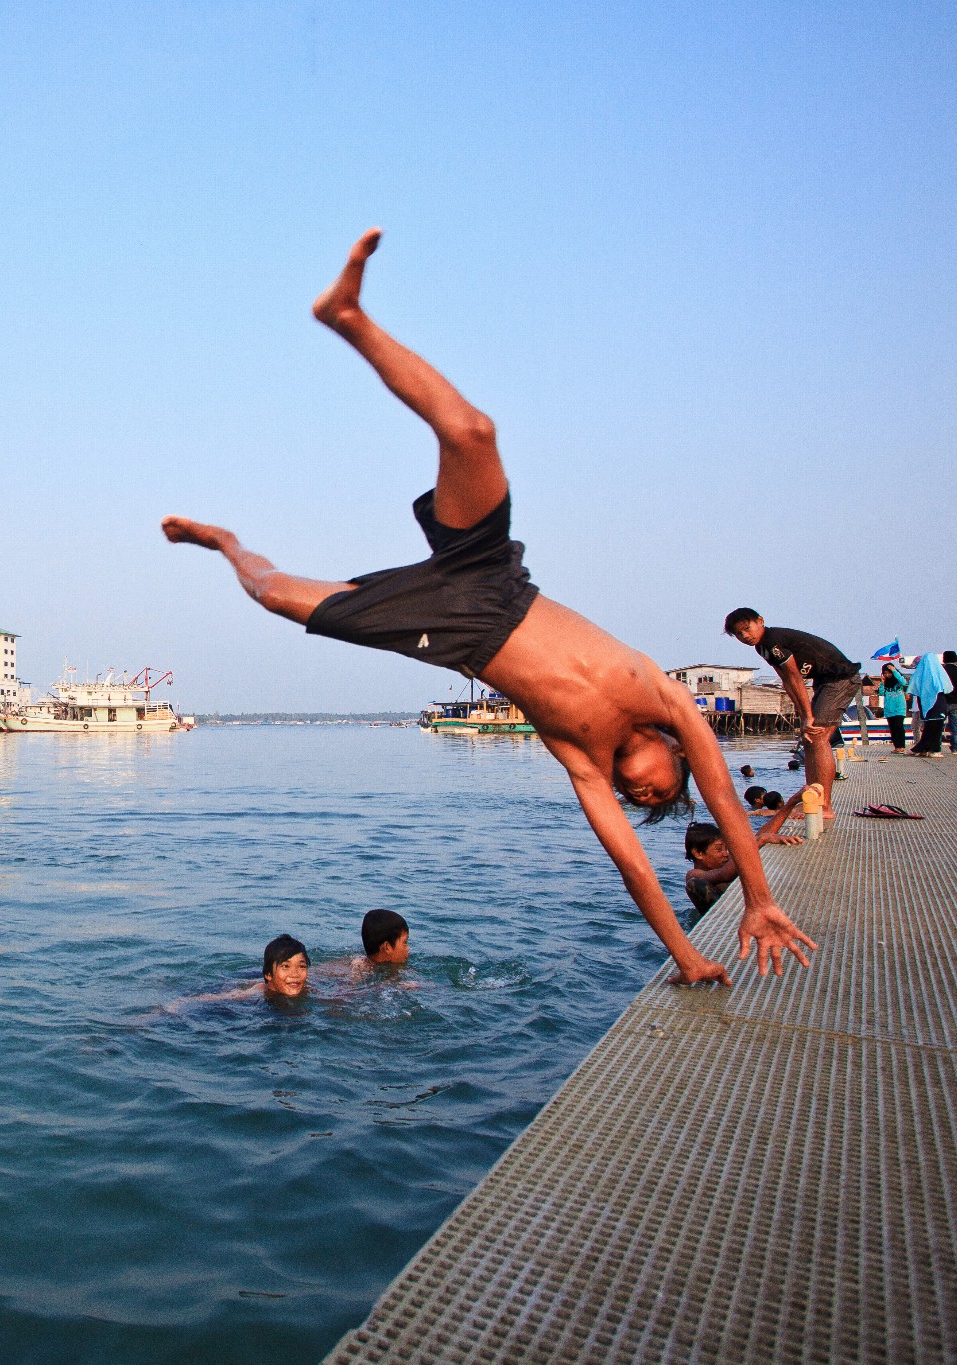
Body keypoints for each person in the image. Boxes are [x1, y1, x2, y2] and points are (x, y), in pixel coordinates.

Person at [162, 229, 815, 984]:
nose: (645, 792)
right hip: (497, 581)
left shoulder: (581, 760)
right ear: (675, 758)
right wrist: (758, 896)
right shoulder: (667, 697)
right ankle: (349, 317)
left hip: (451, 633)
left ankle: (225, 542)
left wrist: (688, 955)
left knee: (274, 593)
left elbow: (634, 867)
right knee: (474, 431)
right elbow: (724, 795)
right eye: (662, 788)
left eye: (646, 800)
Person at [724, 610, 859, 805]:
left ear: (760, 621)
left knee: (818, 738)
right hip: (825, 681)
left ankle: (824, 805)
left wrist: (809, 717)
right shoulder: (762, 647)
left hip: (841, 679)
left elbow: (795, 677)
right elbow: (786, 679)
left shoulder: (772, 640)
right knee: (810, 739)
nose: (745, 636)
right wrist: (802, 713)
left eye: (747, 629)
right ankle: (813, 802)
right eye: (738, 634)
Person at [683, 813, 805, 914]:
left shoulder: (727, 862)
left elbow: (753, 840)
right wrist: (761, 840)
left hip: (743, 908)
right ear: (698, 853)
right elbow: (723, 875)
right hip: (726, 916)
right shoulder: (694, 875)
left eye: (726, 849)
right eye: (719, 849)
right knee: (694, 884)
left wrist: (790, 805)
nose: (725, 853)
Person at [878, 663, 910, 751]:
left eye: (889, 673)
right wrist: (882, 683)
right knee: (892, 728)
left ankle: (902, 746)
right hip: (889, 709)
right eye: (885, 673)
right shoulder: (885, 683)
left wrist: (894, 671)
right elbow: (881, 693)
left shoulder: (898, 682)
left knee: (899, 726)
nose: (887, 675)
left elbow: (904, 682)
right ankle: (897, 747)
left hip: (899, 708)